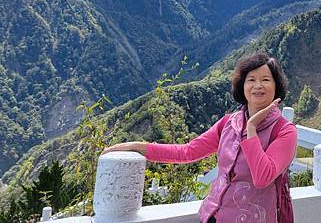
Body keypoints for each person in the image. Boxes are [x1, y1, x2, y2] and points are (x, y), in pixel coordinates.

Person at [102, 53, 297, 223]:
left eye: (265, 79)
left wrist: (252, 128)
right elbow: (188, 152)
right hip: (213, 215)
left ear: (276, 86)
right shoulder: (229, 123)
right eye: (251, 79)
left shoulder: (284, 131)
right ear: (242, 86)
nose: (257, 85)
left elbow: (263, 177)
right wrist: (137, 146)